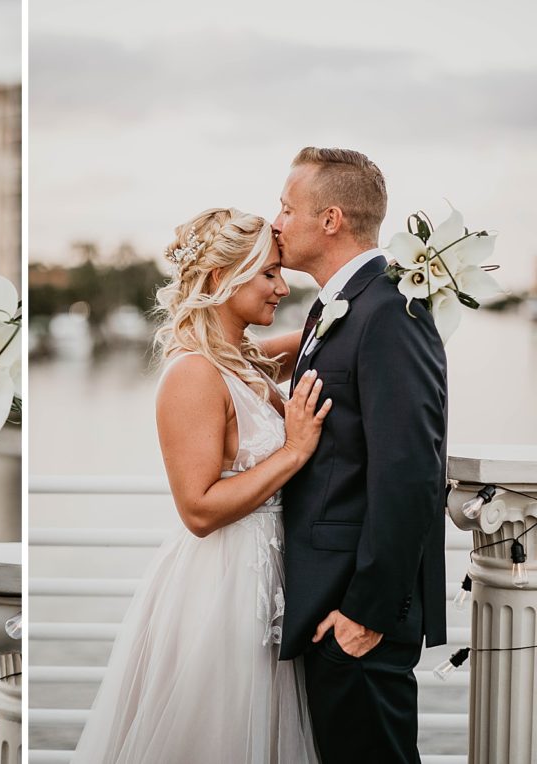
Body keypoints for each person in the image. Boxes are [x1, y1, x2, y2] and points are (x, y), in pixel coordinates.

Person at [72, 208, 327, 763]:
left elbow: (319, 337)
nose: (282, 288)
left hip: (271, 577)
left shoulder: (244, 361)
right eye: (269, 274)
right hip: (223, 585)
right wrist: (294, 451)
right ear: (220, 278)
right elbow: (198, 509)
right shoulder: (193, 374)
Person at [273, 147, 448, 763]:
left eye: (286, 208)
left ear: (330, 220)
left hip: (356, 612)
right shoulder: (338, 305)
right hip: (326, 600)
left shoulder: (391, 309)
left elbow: (411, 470)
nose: (276, 222)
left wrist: (366, 614)